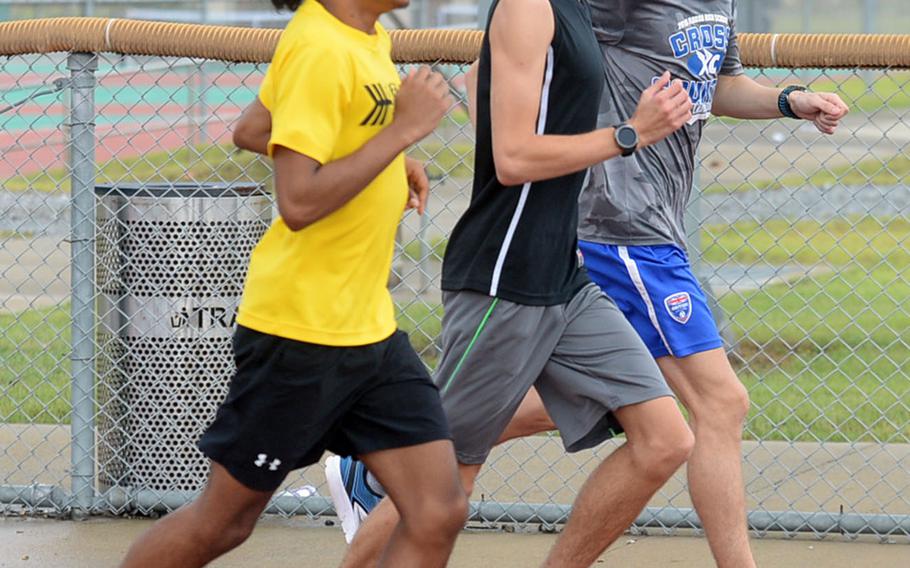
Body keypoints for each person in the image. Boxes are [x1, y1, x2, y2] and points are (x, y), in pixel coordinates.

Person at [328, 2, 850, 567]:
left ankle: (393, 456)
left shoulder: (679, 5)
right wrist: (626, 134)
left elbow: (711, 84)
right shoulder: (554, 8)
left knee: (650, 433)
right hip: (576, 245)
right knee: (717, 402)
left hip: (577, 262)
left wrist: (787, 101)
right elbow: (503, 127)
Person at [336, 0, 699, 565]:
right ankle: (371, 480)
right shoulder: (528, 7)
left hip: (563, 275)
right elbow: (511, 157)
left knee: (664, 440)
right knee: (447, 482)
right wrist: (630, 134)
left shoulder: (575, 9)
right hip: (504, 279)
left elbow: (485, 79)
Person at [119, 0, 469, 566]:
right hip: (302, 333)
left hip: (366, 329)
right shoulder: (319, 48)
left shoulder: (363, 36)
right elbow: (300, 201)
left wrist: (383, 156)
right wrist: (402, 131)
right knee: (225, 523)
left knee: (437, 509)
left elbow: (254, 128)